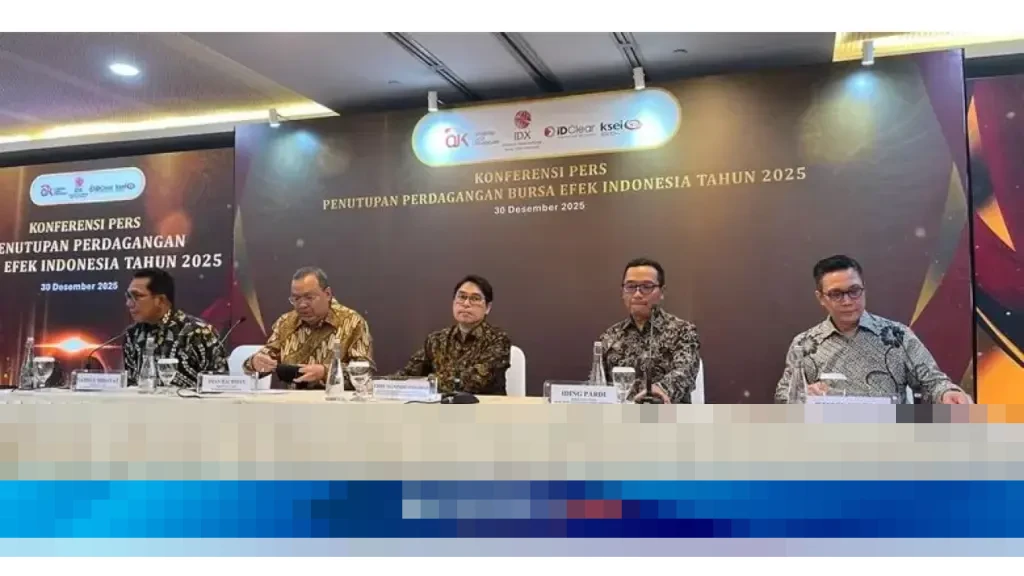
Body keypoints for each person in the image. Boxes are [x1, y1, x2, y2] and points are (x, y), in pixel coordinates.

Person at [774, 255, 972, 404]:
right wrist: (803, 395)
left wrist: (947, 393)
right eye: (836, 294)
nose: (847, 301)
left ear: (864, 288)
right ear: (821, 298)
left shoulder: (897, 335)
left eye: (854, 291)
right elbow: (783, 396)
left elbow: (933, 381)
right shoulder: (805, 344)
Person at [244, 267, 373, 388]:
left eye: (309, 298)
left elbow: (364, 372)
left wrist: (325, 372)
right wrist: (254, 362)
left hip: (335, 400)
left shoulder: (352, 322)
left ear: (327, 294)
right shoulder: (285, 323)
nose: (302, 305)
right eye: (296, 299)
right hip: (292, 401)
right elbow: (259, 361)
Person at [598, 258, 701, 404]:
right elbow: (599, 384)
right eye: (631, 286)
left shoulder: (683, 331)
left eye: (646, 287)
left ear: (662, 292)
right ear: (622, 292)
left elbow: (685, 373)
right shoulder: (610, 337)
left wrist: (659, 391)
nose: (637, 294)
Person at [394, 275, 511, 395]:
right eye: (462, 297)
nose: (466, 303)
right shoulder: (436, 340)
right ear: (454, 302)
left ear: (488, 307)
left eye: (475, 299)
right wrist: (387, 385)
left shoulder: (497, 340)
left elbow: (473, 382)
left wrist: (429, 382)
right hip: (442, 406)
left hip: (484, 405)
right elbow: (408, 375)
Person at [123, 268, 228, 389]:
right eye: (128, 297)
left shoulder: (197, 333)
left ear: (161, 300)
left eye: (136, 296)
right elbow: (130, 385)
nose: (129, 304)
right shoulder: (132, 334)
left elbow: (220, 384)